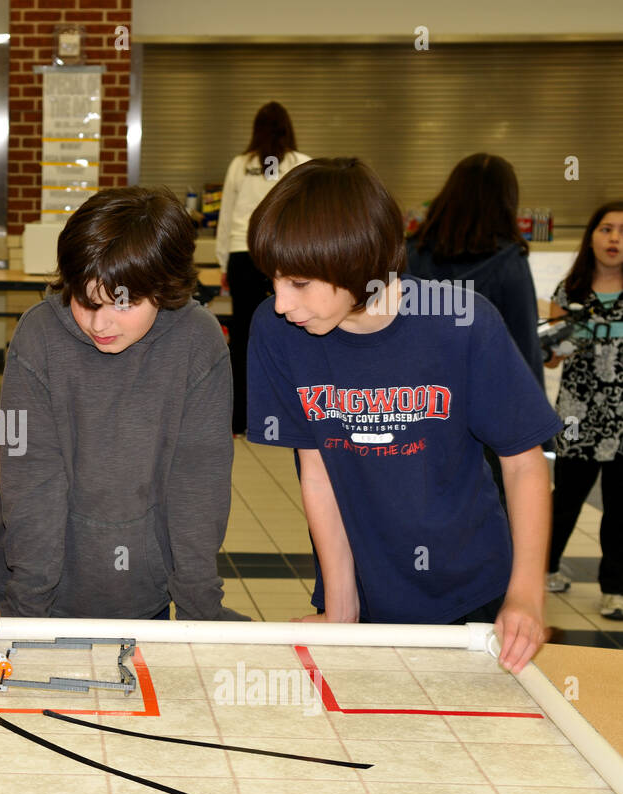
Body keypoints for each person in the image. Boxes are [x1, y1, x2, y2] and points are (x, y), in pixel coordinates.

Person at [245, 158, 561, 674]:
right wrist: (342, 602)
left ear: (356, 261)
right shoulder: (278, 332)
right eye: (274, 280)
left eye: (299, 282)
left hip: (471, 594)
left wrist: (526, 596)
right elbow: (317, 465)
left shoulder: (462, 323)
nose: (281, 302)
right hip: (360, 585)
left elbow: (524, 461)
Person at [0, 186, 246, 621]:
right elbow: (33, 478)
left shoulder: (199, 342)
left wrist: (201, 609)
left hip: (140, 592)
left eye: (123, 304)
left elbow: (198, 485)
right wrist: (27, 608)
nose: (99, 323)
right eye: (85, 300)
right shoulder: (39, 335)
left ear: (164, 285)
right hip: (23, 591)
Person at [544, 201, 623, 618]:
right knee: (568, 497)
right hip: (577, 415)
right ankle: (546, 568)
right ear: (591, 235)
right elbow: (554, 356)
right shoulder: (568, 291)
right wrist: (548, 347)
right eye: (606, 229)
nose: (614, 239)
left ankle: (615, 588)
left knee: (619, 505)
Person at [216, 101, 310, 435]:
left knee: (243, 339)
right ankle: (291, 416)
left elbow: (226, 217)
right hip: (286, 259)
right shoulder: (302, 164)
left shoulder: (240, 165)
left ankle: (239, 420)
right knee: (295, 335)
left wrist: (224, 261)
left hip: (244, 256)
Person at [407, 153, 541, 384]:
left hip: (420, 396)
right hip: (486, 396)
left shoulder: (410, 253)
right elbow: (524, 343)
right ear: (506, 203)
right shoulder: (510, 262)